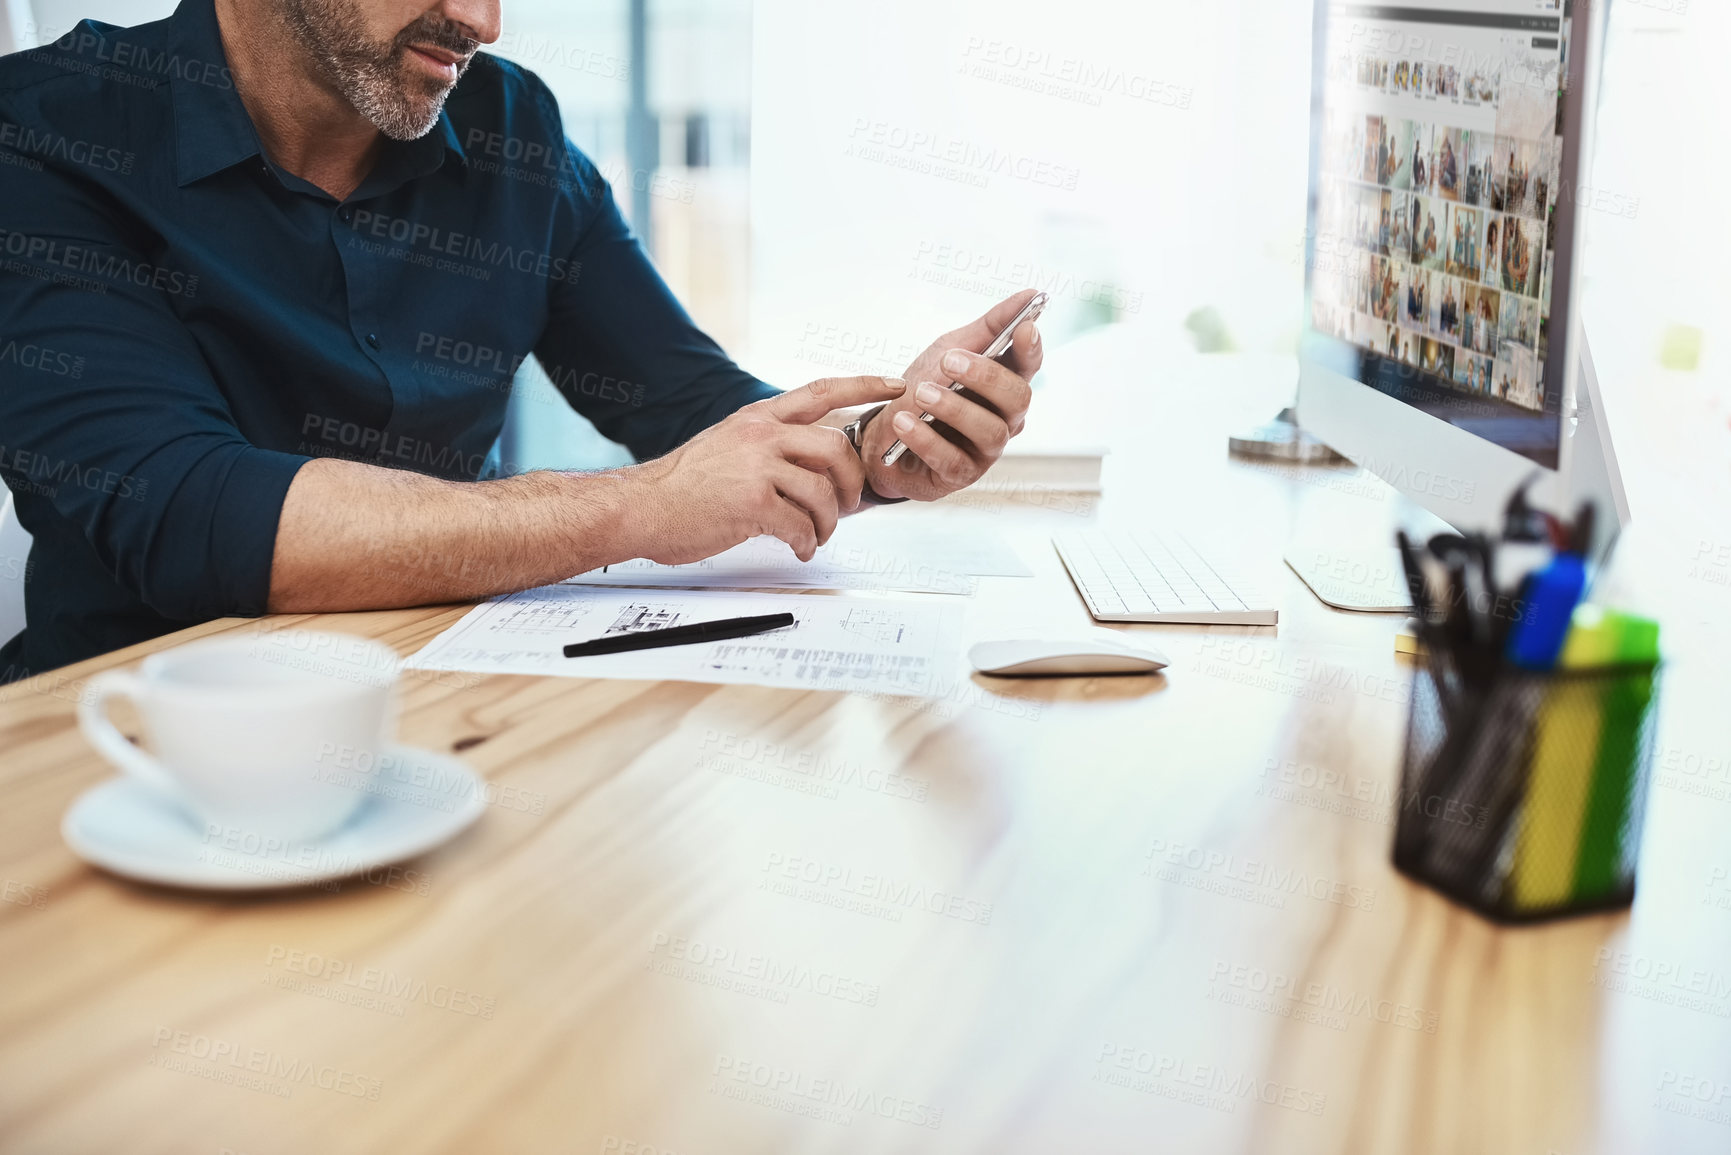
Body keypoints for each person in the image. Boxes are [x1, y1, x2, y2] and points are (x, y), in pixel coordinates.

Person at [0, 0, 1042, 679]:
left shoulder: (512, 132)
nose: (484, 21)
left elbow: (683, 402)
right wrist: (640, 510)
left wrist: (879, 449)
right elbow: (187, 511)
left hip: (463, 713)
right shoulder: (47, 134)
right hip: (129, 749)